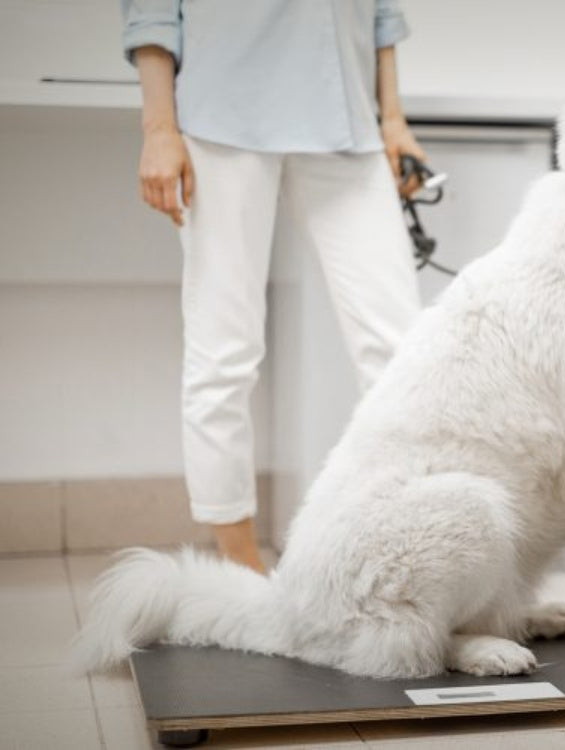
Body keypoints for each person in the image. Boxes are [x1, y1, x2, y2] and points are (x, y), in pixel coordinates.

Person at [121, 0, 426, 573]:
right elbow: (154, 11)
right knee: (225, 352)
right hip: (223, 121)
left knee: (405, 353)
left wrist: (393, 119)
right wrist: (159, 128)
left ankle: (415, 542)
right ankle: (242, 570)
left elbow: (380, 13)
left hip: (349, 123)